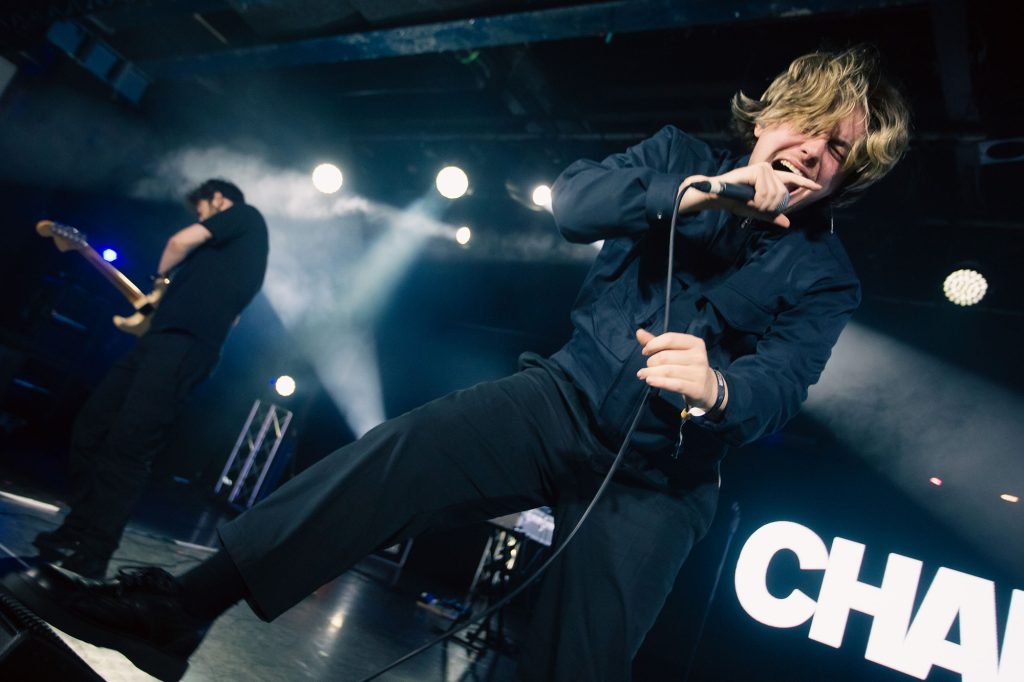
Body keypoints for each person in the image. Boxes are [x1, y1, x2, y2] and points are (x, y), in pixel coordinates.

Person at [3, 47, 909, 682]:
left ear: (848, 174)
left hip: (662, 480)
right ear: (770, 116)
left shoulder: (827, 275)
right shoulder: (677, 157)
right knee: (397, 456)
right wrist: (698, 193)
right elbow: (576, 204)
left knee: (582, 662)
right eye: (811, 125)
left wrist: (719, 387)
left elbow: (783, 382)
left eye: (839, 149)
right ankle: (178, 612)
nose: (814, 151)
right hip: (562, 397)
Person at [30, 179, 270, 579]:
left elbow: (178, 242)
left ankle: (96, 550)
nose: (200, 218)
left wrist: (161, 277)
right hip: (157, 341)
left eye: (201, 210)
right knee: (91, 427)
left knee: (129, 445)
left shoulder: (245, 217)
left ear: (218, 199)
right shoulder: (218, 261)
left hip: (185, 346)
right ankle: (77, 528)